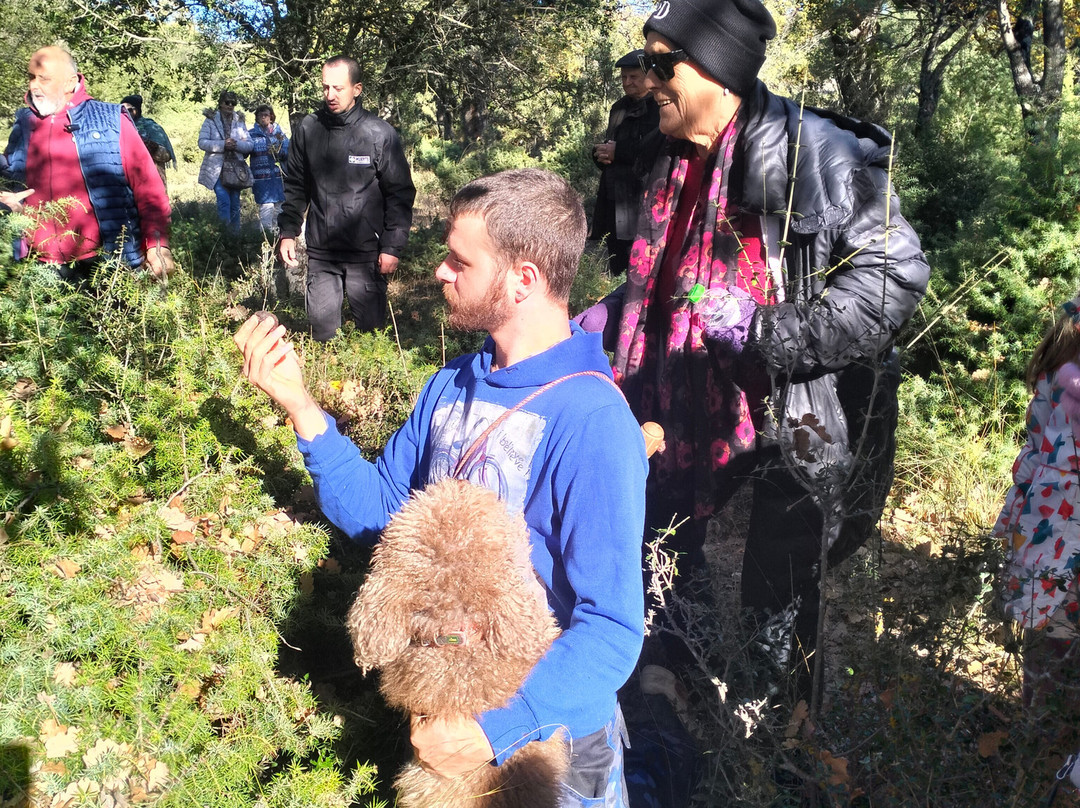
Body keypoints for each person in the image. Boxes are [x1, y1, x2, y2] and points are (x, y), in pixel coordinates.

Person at [236, 168, 648, 806]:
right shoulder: (452, 384)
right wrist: (299, 405)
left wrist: (491, 731)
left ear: (523, 279)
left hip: (552, 749)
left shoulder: (593, 422)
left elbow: (611, 629)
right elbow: (380, 516)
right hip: (444, 728)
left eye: (460, 260)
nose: (440, 272)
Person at [576, 0, 930, 702]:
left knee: (781, 586)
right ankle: (675, 683)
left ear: (713, 68)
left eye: (660, 61)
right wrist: (611, 313)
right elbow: (665, 276)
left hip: (794, 409)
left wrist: (769, 331)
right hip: (676, 392)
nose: (646, 77)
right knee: (660, 530)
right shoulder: (670, 154)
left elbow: (894, 277)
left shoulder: (817, 154)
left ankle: (774, 742)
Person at [278, 54, 415, 341]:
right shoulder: (308, 129)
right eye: (325, 87)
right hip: (322, 252)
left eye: (338, 88)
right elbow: (296, 185)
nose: (330, 95)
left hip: (366, 254)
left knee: (372, 336)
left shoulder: (379, 134)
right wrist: (288, 231)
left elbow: (400, 194)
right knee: (323, 334)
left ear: (357, 88)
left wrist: (392, 247)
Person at [993, 296, 1080, 726]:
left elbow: (1037, 440)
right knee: (1057, 635)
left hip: (1047, 520)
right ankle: (1048, 747)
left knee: (1051, 635)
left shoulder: (1060, 355)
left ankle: (1040, 738)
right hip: (1062, 524)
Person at [21, 47, 172, 281]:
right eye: (31, 77)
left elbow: (149, 189)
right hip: (39, 266)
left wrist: (158, 244)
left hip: (108, 261)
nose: (34, 85)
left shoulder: (111, 119)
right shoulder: (23, 126)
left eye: (44, 78)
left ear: (70, 82)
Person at [590, 49, 660, 275]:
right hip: (613, 195)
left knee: (639, 260)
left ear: (648, 76)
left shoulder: (659, 107)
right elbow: (611, 144)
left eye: (633, 77)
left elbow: (656, 150)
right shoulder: (619, 108)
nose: (627, 82)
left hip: (641, 196)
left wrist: (617, 152)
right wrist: (600, 155)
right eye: (623, 78)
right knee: (615, 258)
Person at [198, 90, 253, 233]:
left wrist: (236, 145)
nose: (230, 105)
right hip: (216, 169)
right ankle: (224, 237)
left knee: (235, 204)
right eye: (227, 102)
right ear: (220, 103)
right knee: (224, 201)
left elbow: (249, 144)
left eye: (233, 103)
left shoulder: (240, 121)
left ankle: (235, 238)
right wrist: (223, 144)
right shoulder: (210, 119)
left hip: (236, 169)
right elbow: (202, 142)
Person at [248, 104, 289, 235]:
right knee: (266, 207)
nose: (263, 117)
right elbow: (245, 150)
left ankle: (277, 236)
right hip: (260, 178)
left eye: (266, 114)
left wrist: (278, 151)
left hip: (277, 176)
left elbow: (287, 151)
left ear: (271, 117)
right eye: (260, 115)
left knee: (279, 207)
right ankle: (265, 238)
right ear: (257, 118)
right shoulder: (251, 134)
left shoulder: (279, 133)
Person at [120, 94, 176, 186]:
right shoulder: (118, 128)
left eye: (129, 110)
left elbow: (166, 155)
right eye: (122, 110)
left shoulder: (151, 127)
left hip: (152, 180)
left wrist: (149, 146)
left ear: (136, 110)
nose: (125, 113)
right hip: (127, 182)